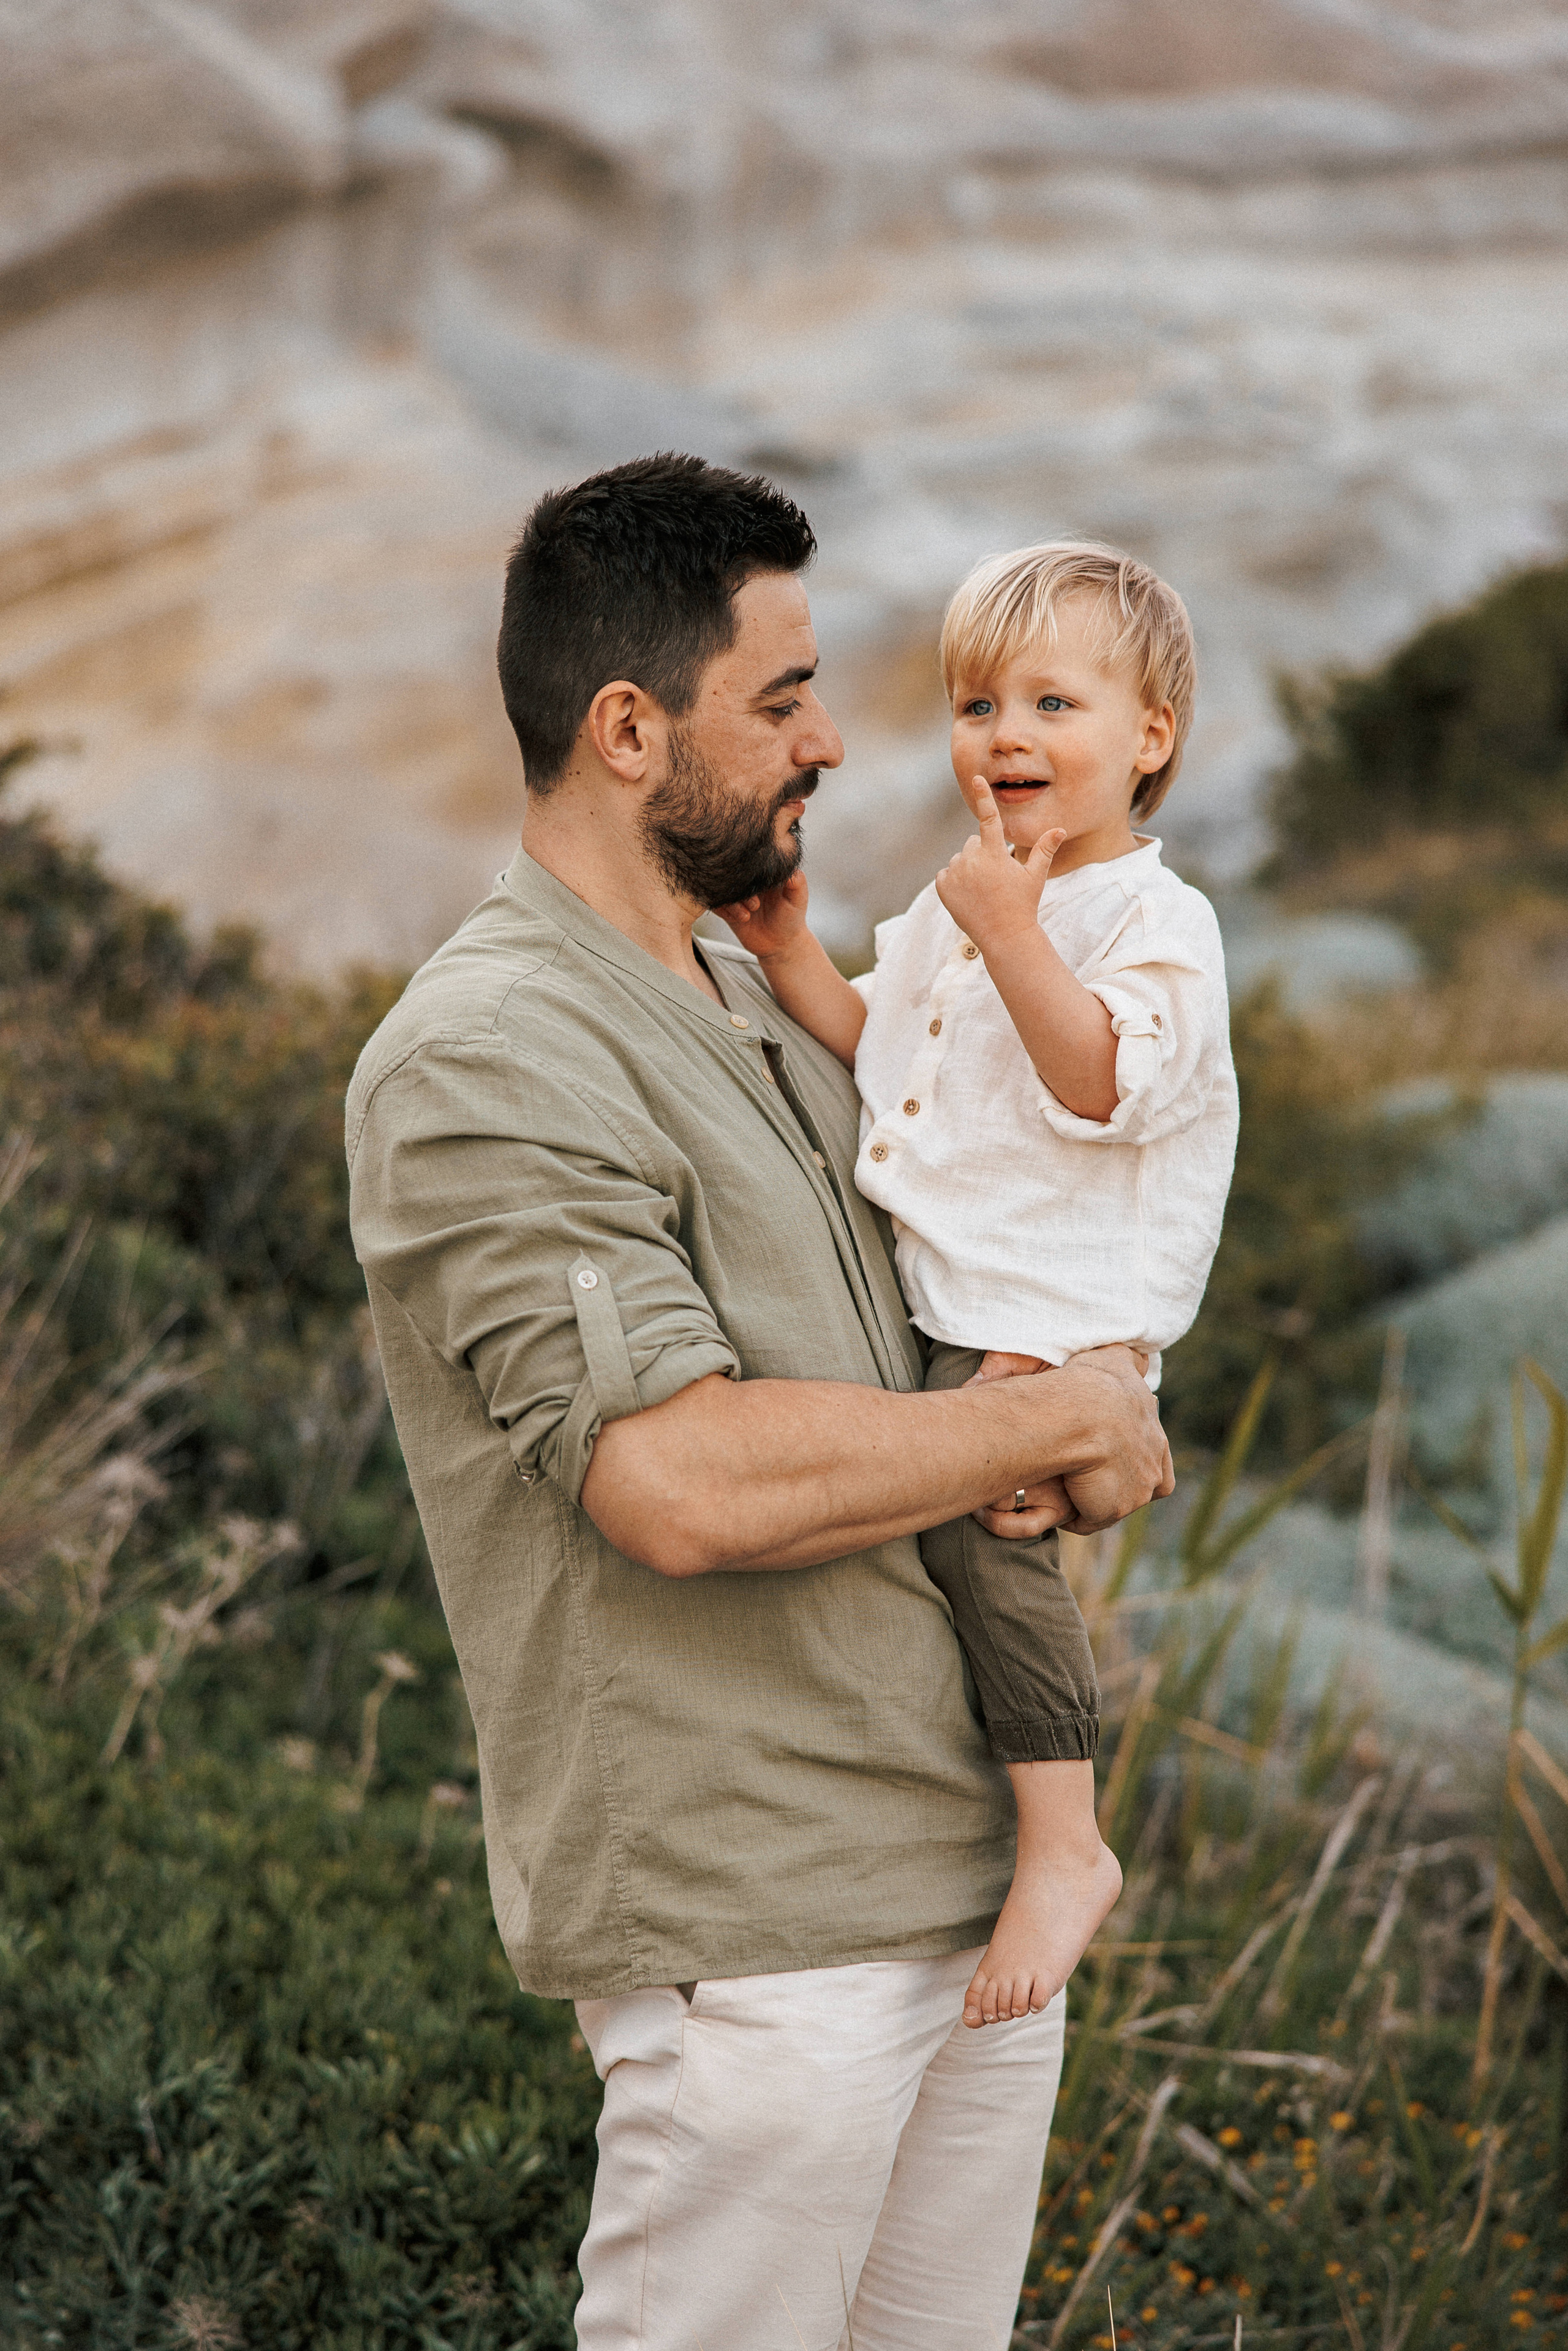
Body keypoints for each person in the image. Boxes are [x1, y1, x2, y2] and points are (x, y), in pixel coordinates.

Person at [346, 458, 1172, 2351]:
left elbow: (970, 1287)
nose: (830, 741)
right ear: (630, 730)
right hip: (758, 1941)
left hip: (962, 1894)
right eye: (783, 697)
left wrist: (1084, 1399)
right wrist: (1046, 1425)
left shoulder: (759, 986)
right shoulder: (488, 1052)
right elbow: (677, 1480)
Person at [718, 540, 1237, 2033]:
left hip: (1057, 1308)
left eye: (1052, 704)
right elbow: (886, 1045)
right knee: (941, 1530)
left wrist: (1010, 930)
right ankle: (980, 1802)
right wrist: (793, 958)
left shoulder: (1152, 921)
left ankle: (1066, 1842)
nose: (1005, 735)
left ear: (1147, 737)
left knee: (988, 1535)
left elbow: (1099, 1080)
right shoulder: (968, 896)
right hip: (964, 1288)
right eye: (974, 704)